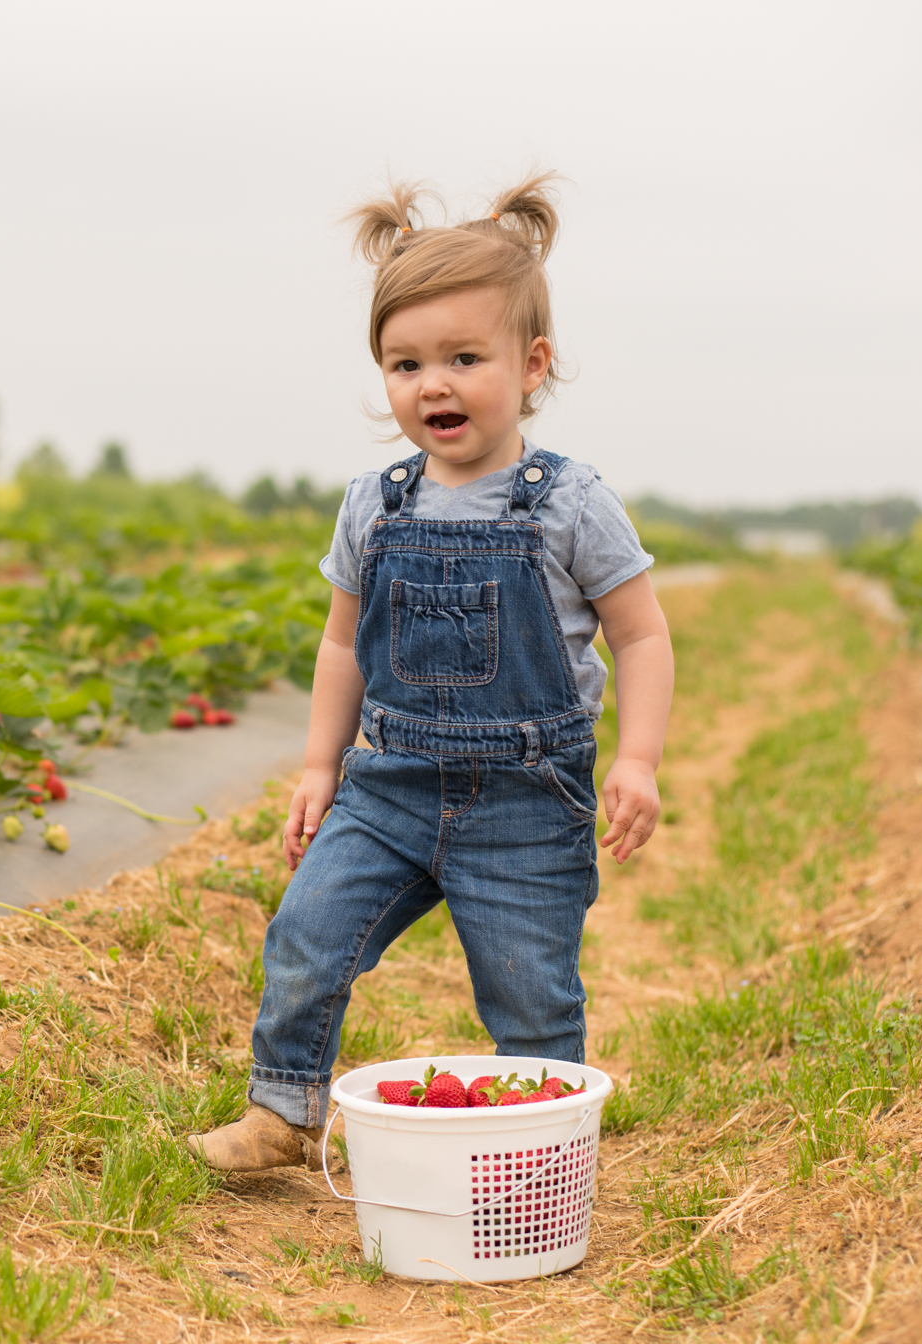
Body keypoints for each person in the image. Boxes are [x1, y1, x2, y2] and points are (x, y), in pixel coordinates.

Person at [190, 173, 675, 1171]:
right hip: (390, 781)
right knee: (306, 935)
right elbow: (340, 645)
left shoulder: (571, 503)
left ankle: (536, 1157)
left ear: (531, 365)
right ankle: (283, 1111)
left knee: (527, 986)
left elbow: (641, 635)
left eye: (463, 357)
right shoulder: (373, 504)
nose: (433, 384)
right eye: (404, 363)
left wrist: (637, 761)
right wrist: (322, 766)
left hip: (525, 799)